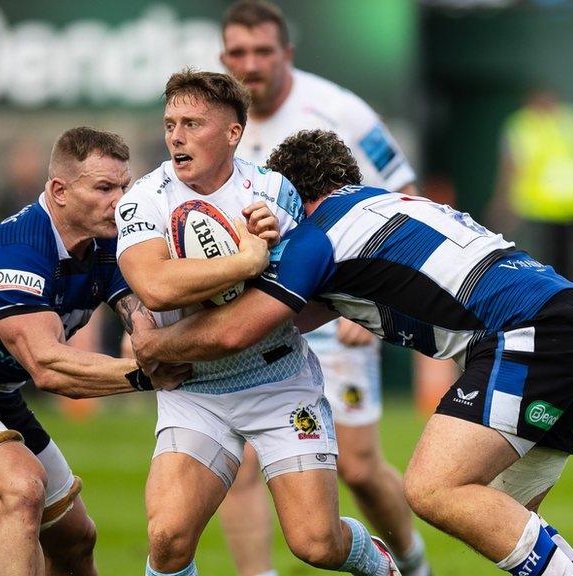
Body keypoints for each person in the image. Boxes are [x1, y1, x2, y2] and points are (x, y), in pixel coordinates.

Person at [133, 129, 573, 576]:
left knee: (434, 487)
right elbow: (288, 321)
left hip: (529, 332)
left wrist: (154, 344)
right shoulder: (381, 205)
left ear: (294, 196)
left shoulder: (316, 235)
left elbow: (240, 331)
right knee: (507, 513)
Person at [116, 70, 399, 576]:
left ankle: (375, 559)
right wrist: (247, 263)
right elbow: (153, 285)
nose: (176, 137)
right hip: (195, 389)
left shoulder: (276, 195)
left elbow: (321, 291)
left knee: (316, 544)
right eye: (170, 123)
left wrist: (275, 258)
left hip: (278, 383)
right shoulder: (145, 197)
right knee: (167, 537)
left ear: (232, 133)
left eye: (192, 123)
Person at [0, 126, 185, 576]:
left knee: (76, 540)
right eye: (104, 188)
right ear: (59, 191)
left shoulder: (110, 240)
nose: (121, 201)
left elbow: (141, 316)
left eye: (125, 186)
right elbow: (48, 368)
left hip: (0, 400)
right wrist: (145, 374)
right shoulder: (18, 251)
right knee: (23, 489)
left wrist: (156, 339)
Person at [218, 3, 431, 574]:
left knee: (358, 468)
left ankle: (411, 563)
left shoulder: (340, 111)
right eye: (238, 52)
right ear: (224, 58)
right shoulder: (217, 123)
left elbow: (408, 200)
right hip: (258, 314)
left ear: (286, 54)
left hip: (337, 314)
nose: (251, 63)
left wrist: (377, 306)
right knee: (238, 462)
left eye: (263, 51)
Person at [489, 86, 573, 288]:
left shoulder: (570, 118)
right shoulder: (521, 126)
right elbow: (510, 165)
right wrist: (503, 200)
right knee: (546, 266)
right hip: (540, 210)